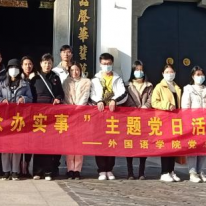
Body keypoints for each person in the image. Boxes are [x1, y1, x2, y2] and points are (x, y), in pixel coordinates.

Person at [89, 53, 127, 181]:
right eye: (104, 64)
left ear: (112, 64)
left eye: (109, 64)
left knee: (112, 141)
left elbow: (123, 93)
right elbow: (91, 94)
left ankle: (109, 169)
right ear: (100, 64)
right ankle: (101, 169)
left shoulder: (118, 78)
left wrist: (114, 100)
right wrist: (98, 101)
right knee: (99, 141)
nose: (107, 66)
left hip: (113, 115)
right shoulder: (95, 79)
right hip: (99, 115)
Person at [0, 59, 32, 181]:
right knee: (5, 146)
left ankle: (15, 171)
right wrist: (2, 100)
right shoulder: (1, 84)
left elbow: (30, 98)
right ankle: (6, 171)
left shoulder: (25, 84)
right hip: (5, 118)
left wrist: (23, 99)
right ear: (7, 70)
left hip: (19, 118)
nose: (13, 70)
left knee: (17, 145)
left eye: (16, 68)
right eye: (11, 67)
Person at [31, 53, 64, 181]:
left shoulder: (56, 77)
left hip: (52, 113)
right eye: (45, 62)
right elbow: (31, 96)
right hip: (38, 114)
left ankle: (48, 171)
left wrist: (58, 99)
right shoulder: (35, 78)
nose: (47, 65)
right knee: (38, 143)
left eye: (49, 63)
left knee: (49, 143)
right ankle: (37, 171)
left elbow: (61, 93)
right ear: (41, 64)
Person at [152, 64, 182, 183]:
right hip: (164, 120)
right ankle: (164, 172)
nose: (170, 74)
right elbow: (154, 102)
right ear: (163, 74)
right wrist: (167, 105)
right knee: (165, 147)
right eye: (167, 72)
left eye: (171, 72)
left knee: (173, 146)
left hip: (175, 121)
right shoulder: (159, 87)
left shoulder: (177, 87)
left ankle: (171, 170)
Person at [181, 66, 206, 183]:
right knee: (193, 147)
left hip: (205, 123)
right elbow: (185, 107)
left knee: (204, 148)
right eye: (198, 75)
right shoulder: (188, 89)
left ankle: (200, 170)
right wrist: (187, 123)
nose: (200, 77)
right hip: (193, 122)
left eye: (202, 74)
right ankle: (192, 172)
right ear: (193, 76)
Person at [125, 60, 153, 180]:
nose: (139, 72)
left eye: (141, 70)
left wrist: (146, 106)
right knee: (130, 145)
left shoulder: (149, 85)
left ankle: (141, 172)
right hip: (131, 118)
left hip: (145, 118)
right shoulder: (128, 85)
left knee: (143, 144)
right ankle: (130, 172)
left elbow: (151, 98)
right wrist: (134, 108)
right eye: (137, 70)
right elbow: (126, 99)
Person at [63, 61, 90, 180]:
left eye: (77, 70)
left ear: (80, 70)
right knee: (69, 143)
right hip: (69, 115)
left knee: (79, 143)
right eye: (72, 70)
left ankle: (77, 169)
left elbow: (85, 96)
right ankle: (70, 169)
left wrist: (78, 108)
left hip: (80, 114)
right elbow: (65, 97)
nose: (75, 72)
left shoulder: (86, 81)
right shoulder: (66, 82)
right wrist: (70, 108)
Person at [19, 56, 36, 178]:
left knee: (30, 141)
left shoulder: (37, 78)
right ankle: (20, 167)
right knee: (20, 141)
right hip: (19, 115)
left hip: (33, 113)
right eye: (25, 64)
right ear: (21, 66)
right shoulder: (17, 78)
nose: (28, 66)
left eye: (30, 64)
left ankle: (27, 166)